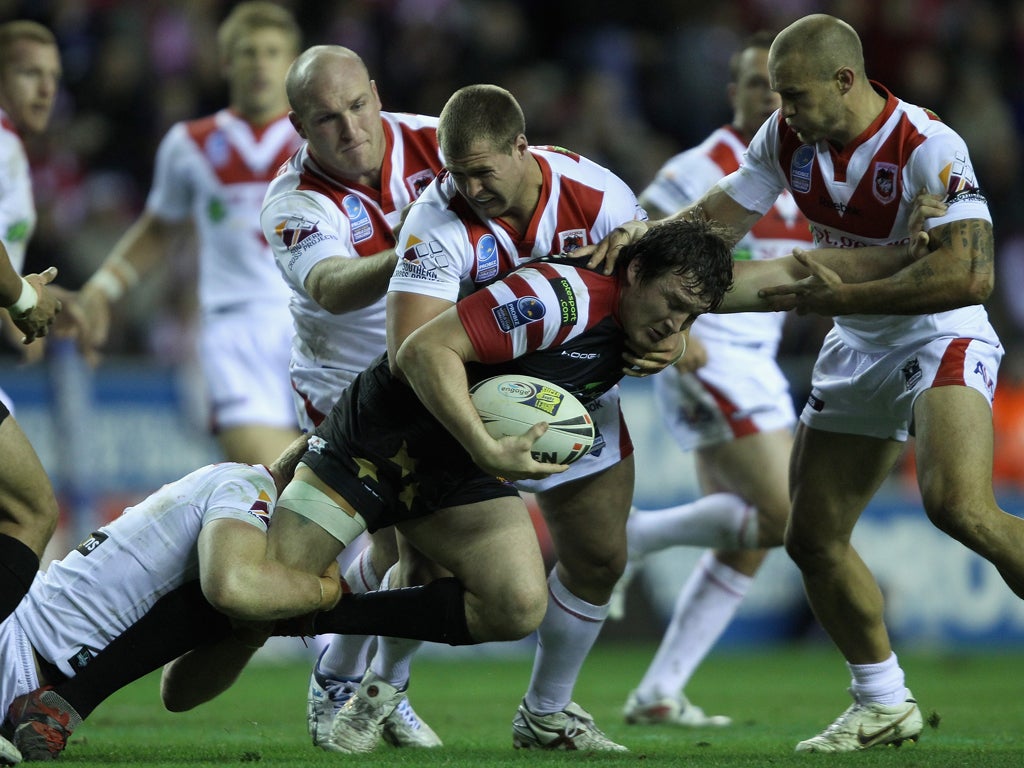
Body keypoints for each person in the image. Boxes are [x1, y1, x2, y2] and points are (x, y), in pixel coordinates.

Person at [587, 13, 1012, 753]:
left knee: (958, 506)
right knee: (811, 539)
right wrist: (645, 244)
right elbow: (717, 223)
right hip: (853, 342)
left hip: (937, 333)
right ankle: (882, 701)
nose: (779, 111)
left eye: (793, 95)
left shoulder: (928, 145)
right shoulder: (786, 138)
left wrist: (844, 299)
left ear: (845, 82)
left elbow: (970, 273)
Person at [274, 82, 689, 755]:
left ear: (522, 148)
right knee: (425, 565)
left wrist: (674, 337)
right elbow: (412, 353)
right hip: (464, 402)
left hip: (574, 397)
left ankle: (546, 712)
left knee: (601, 557)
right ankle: (373, 685)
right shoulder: (435, 220)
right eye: (456, 173)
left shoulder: (600, 193)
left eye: (482, 173)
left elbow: (658, 287)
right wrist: (479, 438)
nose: (468, 188)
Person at [609, 30, 814, 728]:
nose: (772, 96)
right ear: (735, 92)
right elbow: (638, 240)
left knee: (750, 538)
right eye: (758, 84)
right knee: (790, 517)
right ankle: (630, 537)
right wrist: (678, 328)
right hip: (708, 351)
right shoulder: (702, 168)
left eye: (782, 87)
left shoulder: (809, 171)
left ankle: (659, 690)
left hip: (756, 359)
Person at [259, 44, 446, 749]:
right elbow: (332, 288)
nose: (350, 128)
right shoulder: (293, 200)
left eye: (357, 106)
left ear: (375, 90)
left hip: (435, 366)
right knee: (416, 547)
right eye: (326, 119)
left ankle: (357, 681)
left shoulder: (439, 142)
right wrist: (421, 246)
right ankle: (365, 682)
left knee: (411, 550)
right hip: (344, 385)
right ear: (299, 127)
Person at [0, 437, 346, 762]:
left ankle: (59, 707)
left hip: (27, 657)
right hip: (16, 648)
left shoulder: (239, 502)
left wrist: (255, 628)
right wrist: (323, 592)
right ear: (309, 483)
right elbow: (230, 588)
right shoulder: (247, 489)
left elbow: (180, 695)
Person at [78, 2, 303, 465]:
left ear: (293, 62)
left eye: (272, 51)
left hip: (316, 315)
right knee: (264, 472)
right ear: (225, 62)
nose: (260, 63)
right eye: (247, 52)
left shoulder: (322, 140)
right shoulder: (191, 144)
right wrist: (102, 289)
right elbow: (159, 228)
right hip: (232, 324)